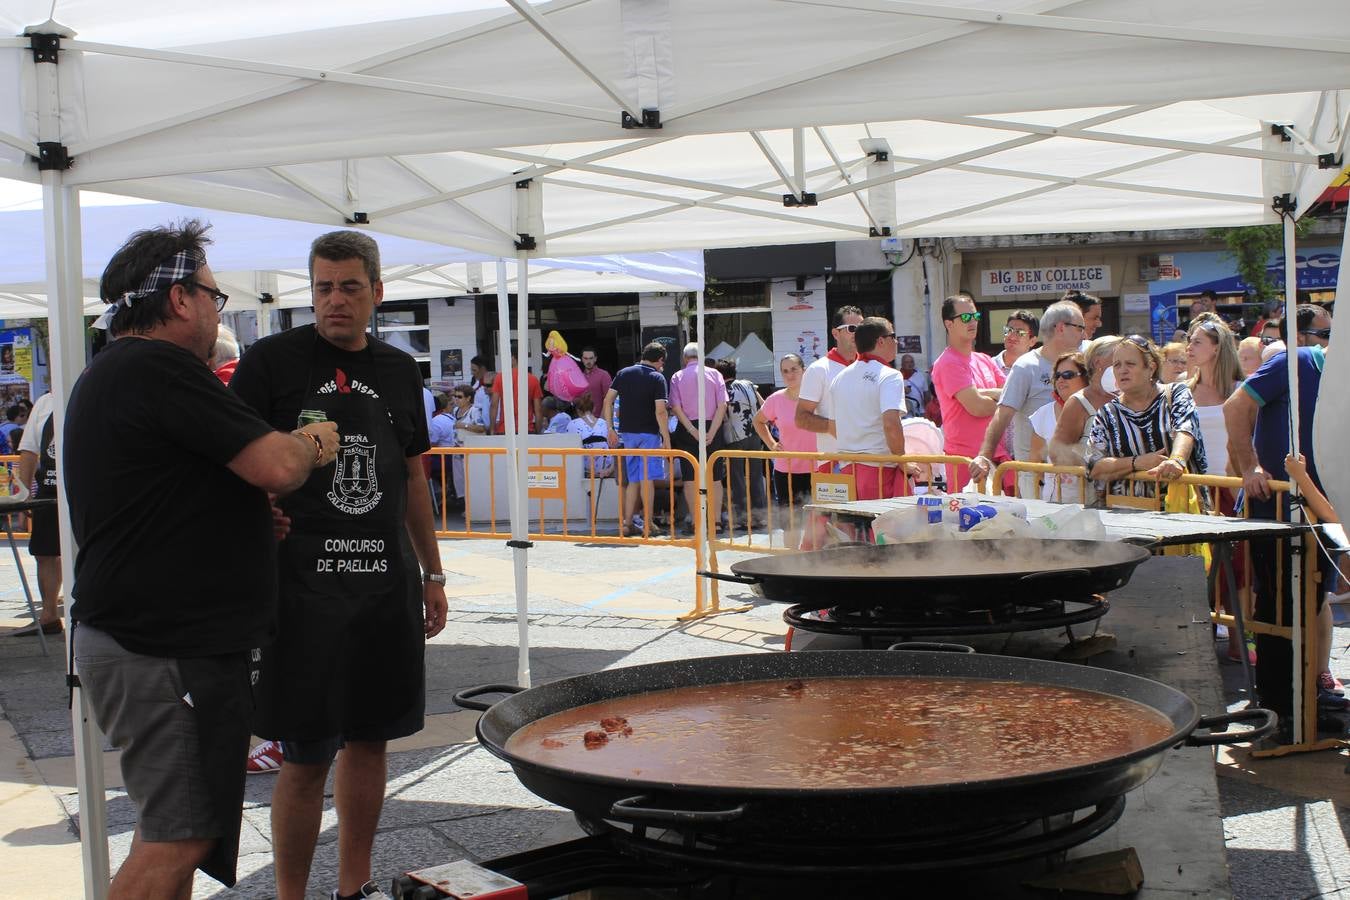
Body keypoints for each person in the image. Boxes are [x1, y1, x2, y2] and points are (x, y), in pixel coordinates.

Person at [65, 220, 340, 898]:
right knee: (177, 837)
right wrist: (313, 441)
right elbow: (276, 464)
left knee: (181, 832)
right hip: (160, 647)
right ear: (181, 297)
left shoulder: (117, 374)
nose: (220, 308)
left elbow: (163, 495)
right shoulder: (158, 367)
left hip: (152, 643)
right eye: (215, 294)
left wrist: (239, 519)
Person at [230, 230, 448, 900]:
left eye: (350, 287)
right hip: (301, 591)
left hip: (383, 586)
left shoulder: (398, 369)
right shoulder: (270, 364)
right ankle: (290, 894)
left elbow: (412, 477)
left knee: (372, 741)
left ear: (377, 293)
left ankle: (354, 887)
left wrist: (432, 573)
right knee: (304, 752)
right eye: (323, 287)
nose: (335, 301)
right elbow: (231, 463)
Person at [1224, 303, 1339, 728]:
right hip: (1276, 508)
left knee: (1312, 601)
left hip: (1323, 514)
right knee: (1278, 605)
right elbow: (1236, 406)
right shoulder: (1300, 361)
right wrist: (1250, 466)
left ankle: (1306, 698)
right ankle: (1282, 707)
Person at [971, 300, 1087, 497]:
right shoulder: (1026, 366)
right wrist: (984, 456)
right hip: (1035, 477)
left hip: (1074, 475)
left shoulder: (1083, 363)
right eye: (1079, 328)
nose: (1083, 334)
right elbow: (1003, 413)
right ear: (1061, 328)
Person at [1086, 334, 1205, 500]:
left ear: (1151, 367)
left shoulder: (1177, 394)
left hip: (1178, 511)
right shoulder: (1107, 413)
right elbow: (1094, 466)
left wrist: (1176, 459)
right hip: (1125, 513)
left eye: (1130, 364)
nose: (1122, 370)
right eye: (1117, 365)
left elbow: (1185, 430)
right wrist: (1137, 462)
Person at [931, 293, 1006, 491]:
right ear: (949, 324)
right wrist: (999, 398)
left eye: (975, 316)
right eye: (965, 317)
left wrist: (985, 392)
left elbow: (1012, 394)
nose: (972, 321)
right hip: (966, 461)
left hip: (996, 454)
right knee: (968, 519)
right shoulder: (948, 363)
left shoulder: (984, 359)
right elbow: (978, 408)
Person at [830, 317, 911, 500]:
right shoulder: (890, 376)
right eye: (893, 336)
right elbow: (891, 424)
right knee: (882, 527)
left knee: (851, 527)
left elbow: (834, 424)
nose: (897, 341)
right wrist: (903, 462)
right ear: (881, 341)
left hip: (846, 468)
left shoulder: (840, 377)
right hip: (879, 468)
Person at [603, 342, 671, 537]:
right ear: (659, 360)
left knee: (633, 480)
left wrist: (610, 428)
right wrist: (666, 439)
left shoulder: (624, 373)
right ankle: (648, 524)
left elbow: (608, 400)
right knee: (647, 480)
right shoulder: (657, 378)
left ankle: (627, 523)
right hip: (649, 434)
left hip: (627, 434)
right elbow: (660, 411)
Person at [9, 393, 59, 636]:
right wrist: (24, 492)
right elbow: (28, 451)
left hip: (84, 488)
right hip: (49, 489)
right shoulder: (45, 402)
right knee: (44, 553)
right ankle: (49, 614)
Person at [1049, 336, 1120, 507]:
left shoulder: (1122, 397)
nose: (1123, 366)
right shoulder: (1078, 402)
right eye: (1117, 361)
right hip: (1082, 499)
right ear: (1098, 362)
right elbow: (1056, 451)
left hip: (1116, 495)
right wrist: (1096, 463)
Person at [795, 305, 863, 471]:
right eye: (851, 328)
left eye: (862, 328)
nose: (858, 333)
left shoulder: (869, 366)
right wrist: (833, 427)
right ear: (835, 333)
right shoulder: (818, 369)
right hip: (834, 462)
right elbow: (801, 418)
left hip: (869, 461)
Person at [668, 343, 727, 534]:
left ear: (685, 358)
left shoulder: (677, 376)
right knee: (715, 476)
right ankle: (716, 521)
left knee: (690, 476)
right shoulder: (715, 374)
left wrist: (692, 430)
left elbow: (676, 407)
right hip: (712, 426)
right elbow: (722, 405)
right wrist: (713, 431)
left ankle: (696, 521)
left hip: (687, 429)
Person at [754, 353, 815, 522]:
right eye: (785, 371)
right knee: (790, 524)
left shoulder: (817, 396)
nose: (790, 375)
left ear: (804, 370)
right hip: (786, 470)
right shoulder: (776, 399)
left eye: (794, 369)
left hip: (817, 469)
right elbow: (758, 421)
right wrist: (772, 444)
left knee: (818, 525)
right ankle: (791, 550)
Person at [1029, 352, 1088, 502]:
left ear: (1086, 377)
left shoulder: (1103, 411)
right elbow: (1036, 461)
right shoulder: (1042, 414)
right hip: (1054, 502)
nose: (1061, 380)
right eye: (1057, 376)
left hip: (1093, 503)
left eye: (1068, 374)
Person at [716, 358, 768, 529]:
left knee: (736, 478)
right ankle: (759, 516)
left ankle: (741, 518)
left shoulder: (723, 389)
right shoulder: (748, 384)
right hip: (754, 434)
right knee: (756, 475)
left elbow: (722, 413)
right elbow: (763, 404)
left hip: (734, 437)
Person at [489, 350, 544, 435]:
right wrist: (538, 430)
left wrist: (492, 429)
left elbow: (494, 405)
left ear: (513, 358)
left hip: (505, 429)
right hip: (527, 429)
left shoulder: (500, 378)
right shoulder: (533, 379)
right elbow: (538, 410)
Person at [993, 310, 1038, 375]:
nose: (1012, 337)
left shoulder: (1040, 370)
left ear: (1032, 341)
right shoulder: (986, 366)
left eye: (1020, 332)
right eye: (1009, 330)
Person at [580, 346, 613, 416]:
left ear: (595, 359)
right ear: (582, 359)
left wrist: (602, 420)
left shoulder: (604, 375)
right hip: (582, 419)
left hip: (598, 419)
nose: (588, 361)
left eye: (591, 358)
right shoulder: (578, 376)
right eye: (585, 358)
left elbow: (609, 399)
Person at [469, 355, 494, 425]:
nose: (472, 373)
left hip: (489, 423)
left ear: (483, 369)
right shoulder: (475, 382)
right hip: (476, 421)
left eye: (474, 370)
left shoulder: (494, 383)